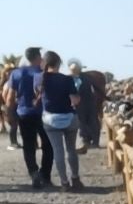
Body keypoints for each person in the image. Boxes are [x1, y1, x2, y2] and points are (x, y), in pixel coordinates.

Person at [37, 51, 81, 190]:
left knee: (58, 151)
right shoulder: (67, 79)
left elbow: (37, 94)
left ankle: (64, 182)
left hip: (50, 119)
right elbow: (75, 101)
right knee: (71, 149)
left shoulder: (39, 78)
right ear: (59, 63)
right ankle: (75, 178)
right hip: (69, 118)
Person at [9, 47, 51, 188]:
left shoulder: (16, 73)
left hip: (24, 113)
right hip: (44, 114)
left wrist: (10, 114)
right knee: (48, 144)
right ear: (38, 57)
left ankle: (33, 172)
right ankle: (45, 174)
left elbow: (10, 97)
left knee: (28, 145)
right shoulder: (44, 73)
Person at [69, 63, 99, 151]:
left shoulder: (76, 79)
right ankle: (94, 142)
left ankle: (87, 141)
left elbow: (76, 91)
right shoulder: (87, 78)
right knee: (92, 122)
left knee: (83, 123)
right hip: (90, 103)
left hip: (81, 104)